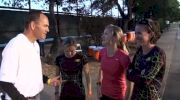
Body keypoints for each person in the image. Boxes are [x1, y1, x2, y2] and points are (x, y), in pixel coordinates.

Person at [0, 10, 58, 100]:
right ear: (33, 25)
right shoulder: (15, 45)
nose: (48, 30)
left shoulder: (36, 45)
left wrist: (48, 80)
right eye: (45, 26)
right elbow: (5, 82)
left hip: (36, 96)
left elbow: (32, 71)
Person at [126, 19, 166, 100]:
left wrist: (132, 73)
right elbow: (129, 71)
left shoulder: (158, 54)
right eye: (135, 32)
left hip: (150, 97)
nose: (136, 36)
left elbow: (145, 80)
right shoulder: (139, 51)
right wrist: (133, 73)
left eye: (139, 33)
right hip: (136, 96)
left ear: (151, 34)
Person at [97, 24, 132, 100]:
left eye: (106, 34)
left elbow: (129, 83)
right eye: (103, 33)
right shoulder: (102, 52)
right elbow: (101, 69)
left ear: (115, 38)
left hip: (118, 96)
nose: (102, 36)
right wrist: (98, 85)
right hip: (103, 94)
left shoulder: (123, 57)